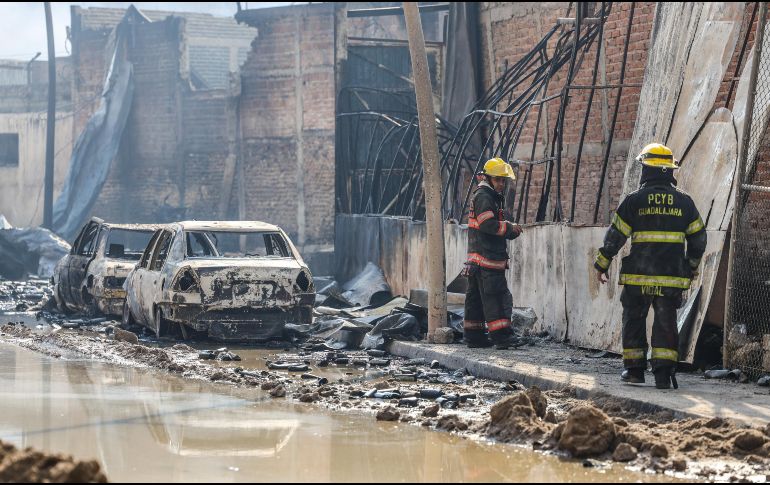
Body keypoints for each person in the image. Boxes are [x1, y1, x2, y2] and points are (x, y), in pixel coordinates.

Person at [594, 143, 707, 389]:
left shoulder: (634, 201)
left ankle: (634, 371)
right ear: (669, 171)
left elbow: (615, 237)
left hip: (638, 276)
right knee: (666, 322)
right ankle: (663, 375)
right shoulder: (685, 202)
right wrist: (691, 266)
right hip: (671, 277)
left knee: (634, 319)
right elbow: (699, 239)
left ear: (647, 169)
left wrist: (602, 264)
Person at [463, 157, 523, 350]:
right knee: (496, 297)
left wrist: (508, 229)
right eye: (498, 180)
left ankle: (474, 337)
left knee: (476, 301)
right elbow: (488, 224)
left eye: (503, 180)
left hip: (478, 260)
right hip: (487, 259)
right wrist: (510, 228)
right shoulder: (485, 197)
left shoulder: (486, 195)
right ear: (487, 178)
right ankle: (503, 337)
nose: (501, 184)